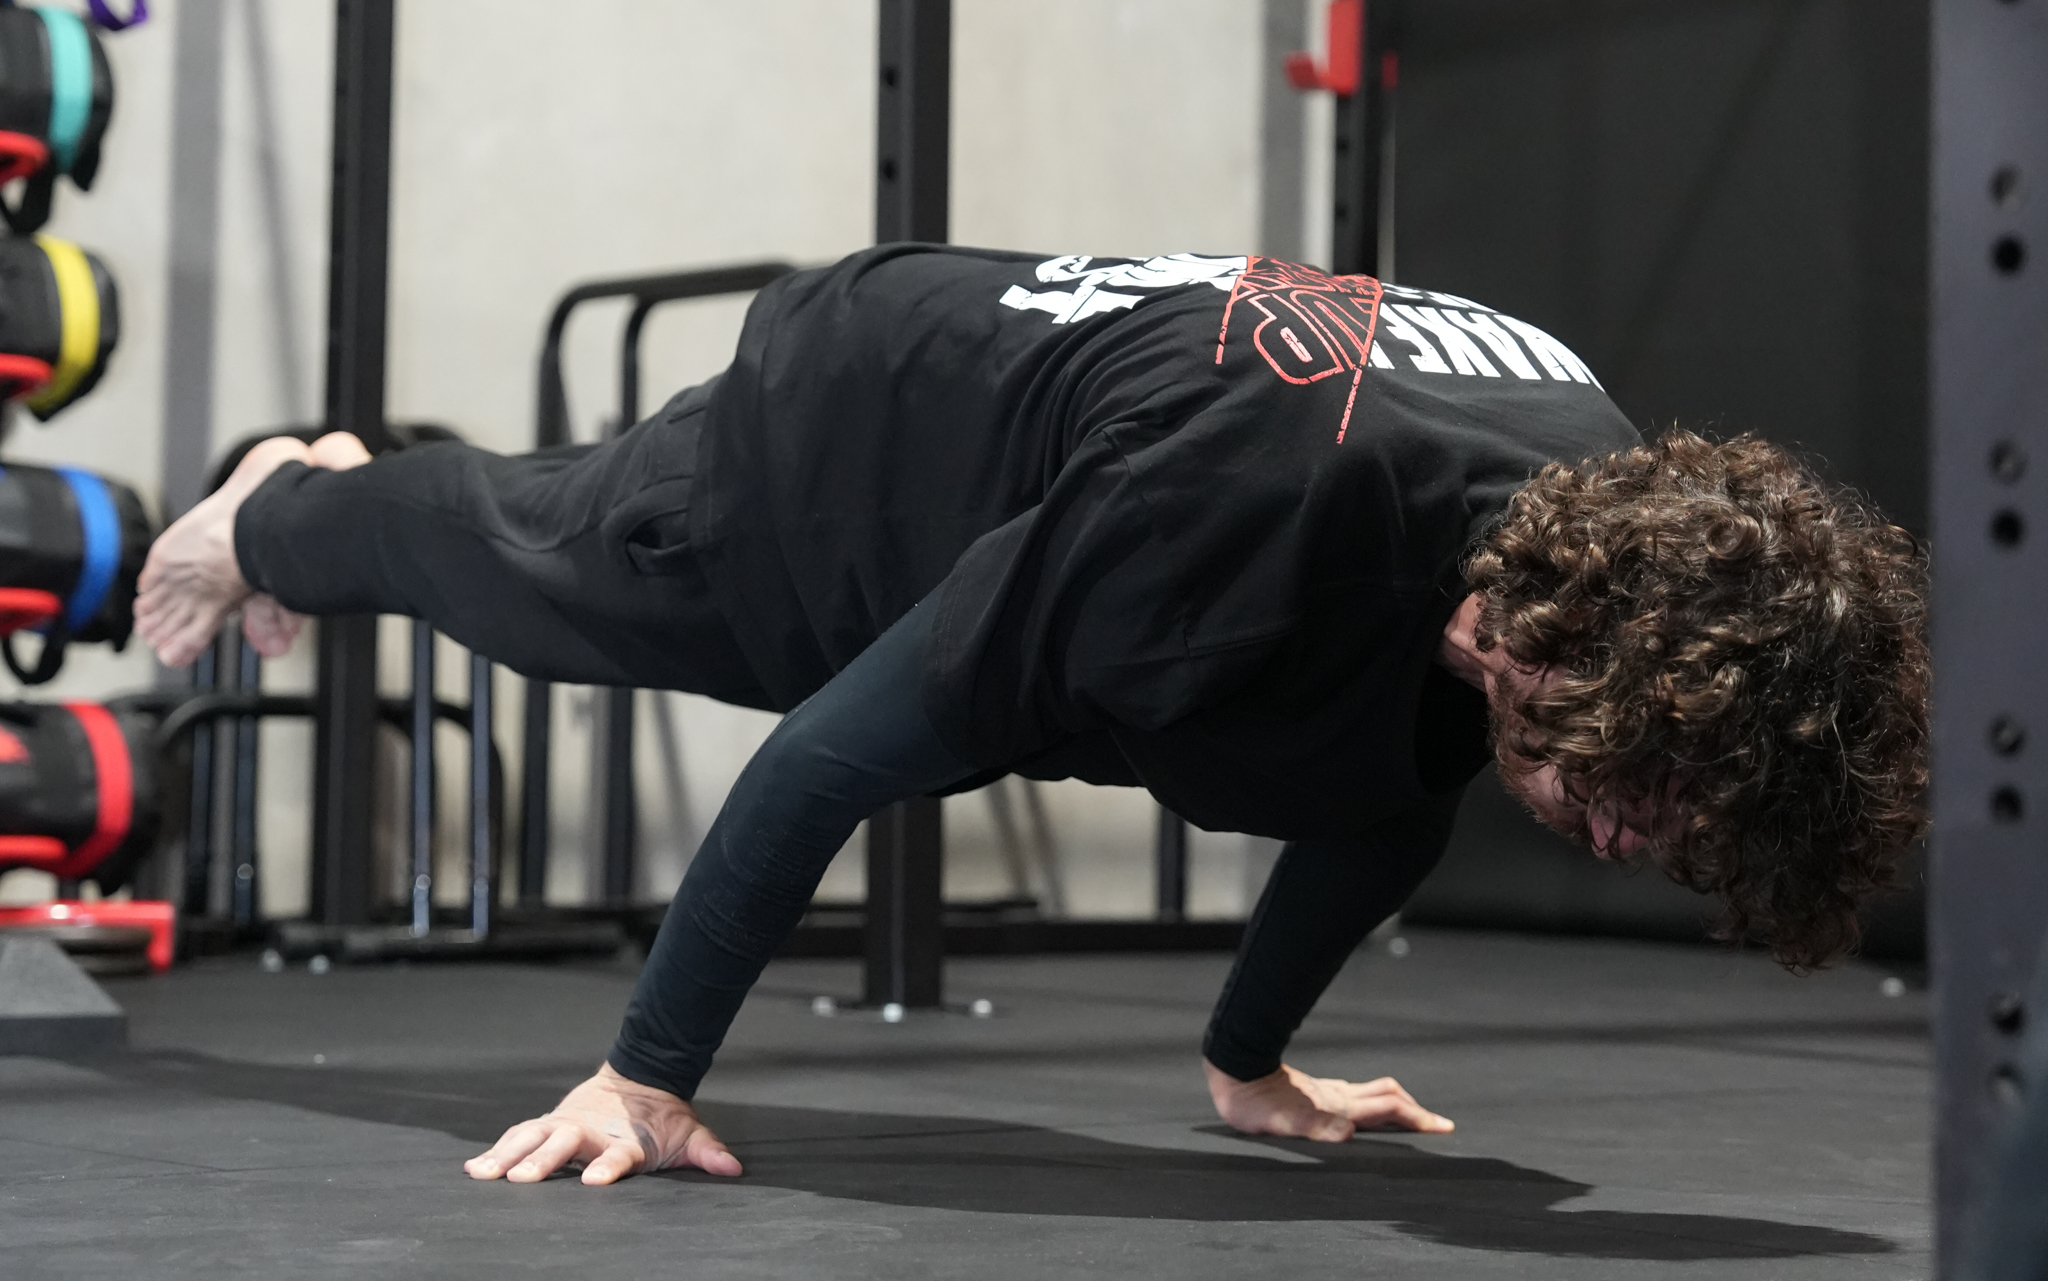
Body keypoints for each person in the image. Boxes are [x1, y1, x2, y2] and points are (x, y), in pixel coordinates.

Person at [136, 247, 1930, 1186]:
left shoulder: (1615, 537)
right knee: (561, 579)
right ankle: (283, 508)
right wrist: (645, 1076)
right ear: (1525, 624)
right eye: (1622, 780)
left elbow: (1389, 795)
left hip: (1097, 407)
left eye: (1665, 819)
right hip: (863, 427)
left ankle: (347, 492)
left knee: (1403, 736)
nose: (1622, 835)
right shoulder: (1233, 521)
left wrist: (1252, 1067)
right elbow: (834, 755)